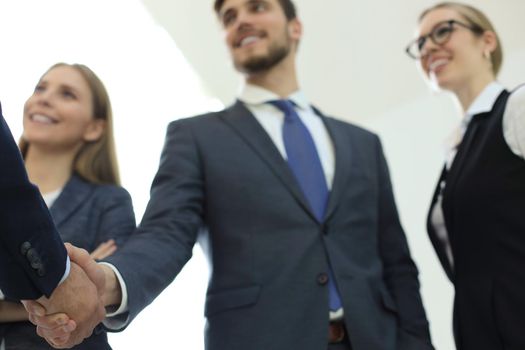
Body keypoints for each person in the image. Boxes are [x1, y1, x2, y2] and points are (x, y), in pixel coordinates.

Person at [30, 1, 434, 349]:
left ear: (295, 27)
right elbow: (166, 233)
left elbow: (396, 262)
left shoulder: (363, 144)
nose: (240, 19)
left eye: (257, 6)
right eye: (228, 16)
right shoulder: (197, 137)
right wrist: (110, 281)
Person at [405, 2, 525, 349]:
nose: (428, 48)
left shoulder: (516, 108)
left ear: (486, 41)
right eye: (420, 44)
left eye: (443, 31)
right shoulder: (455, 148)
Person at [0, 63, 136, 350]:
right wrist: (63, 283)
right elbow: (77, 295)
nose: (44, 98)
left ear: (94, 127)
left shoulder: (109, 201)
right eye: (40, 88)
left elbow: (98, 295)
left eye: (67, 94)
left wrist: (83, 291)